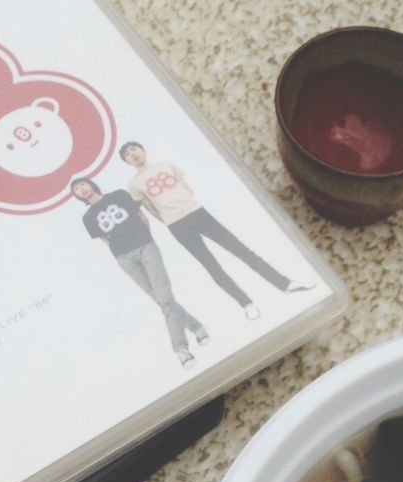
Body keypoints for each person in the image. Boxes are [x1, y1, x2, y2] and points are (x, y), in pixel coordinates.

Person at [120, 141, 312, 320]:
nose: (133, 154)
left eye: (134, 149)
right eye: (128, 154)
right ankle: (246, 303)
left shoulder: (166, 165)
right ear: (126, 161)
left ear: (142, 149)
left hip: (197, 213)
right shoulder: (134, 184)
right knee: (210, 264)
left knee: (239, 249)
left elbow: (187, 187)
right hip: (176, 224)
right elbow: (149, 207)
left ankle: (285, 284)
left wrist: (188, 204)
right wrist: (168, 219)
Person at [72, 175, 207, 367]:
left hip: (145, 246)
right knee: (161, 299)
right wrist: (118, 252)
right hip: (124, 258)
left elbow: (141, 217)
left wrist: (146, 239)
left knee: (165, 297)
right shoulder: (87, 218)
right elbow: (104, 238)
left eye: (82, 184)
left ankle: (181, 349)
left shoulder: (119, 195)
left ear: (90, 184)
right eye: (76, 189)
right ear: (77, 196)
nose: (81, 189)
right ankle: (197, 327)